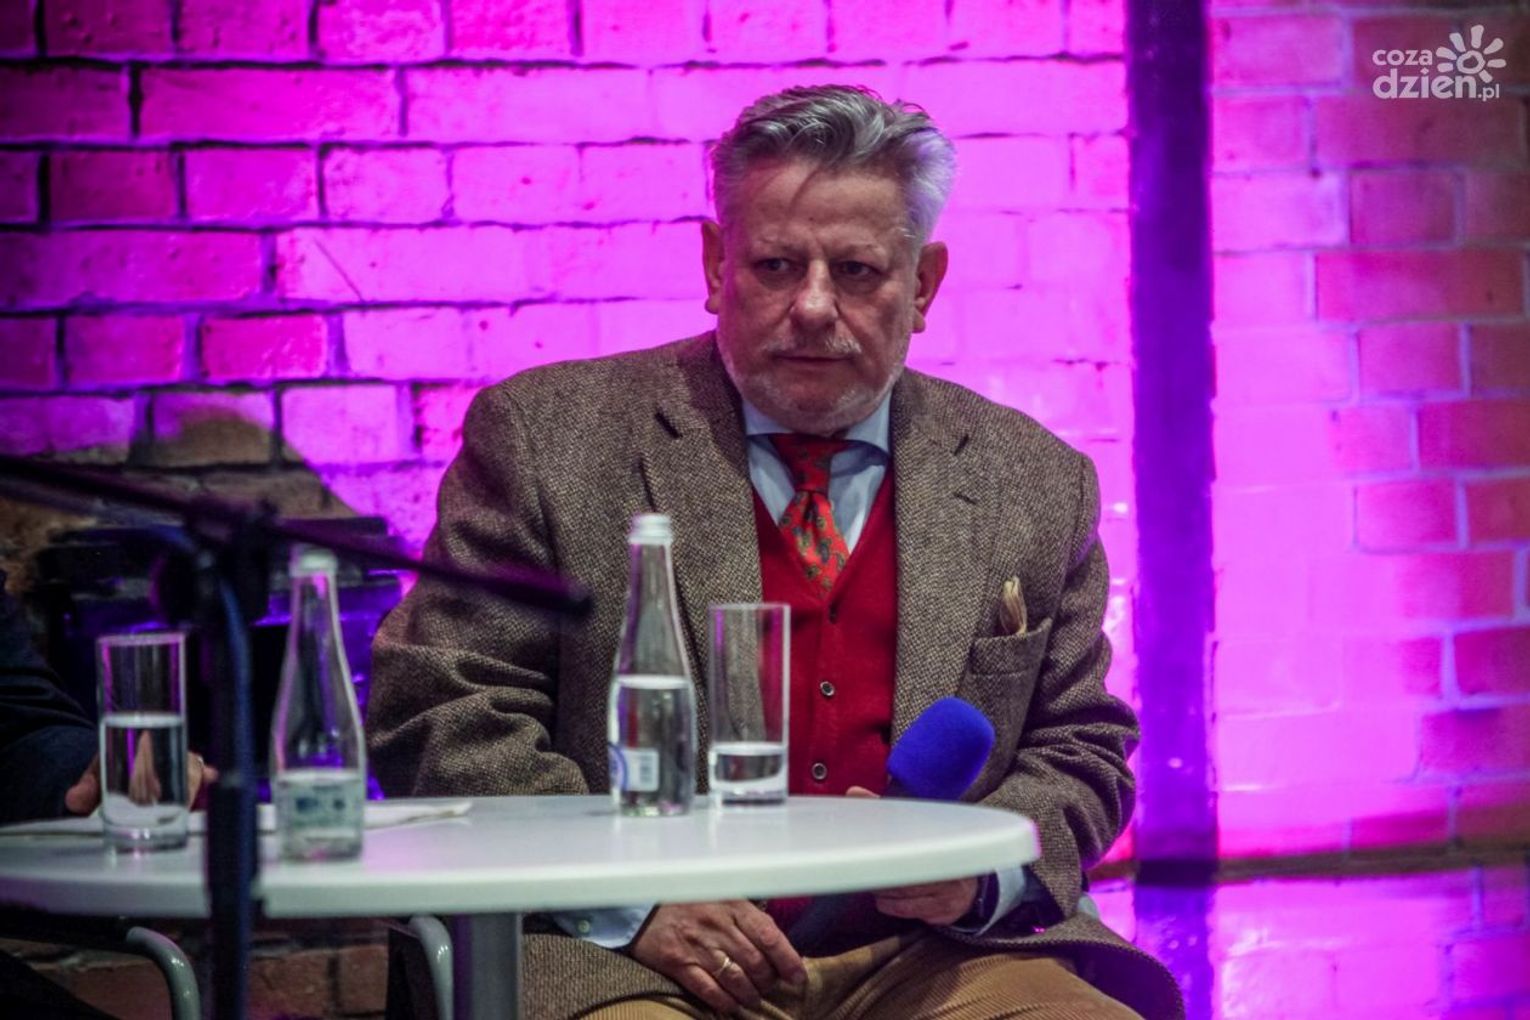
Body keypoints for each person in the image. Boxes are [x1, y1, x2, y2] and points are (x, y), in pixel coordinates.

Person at [367, 85, 1183, 1019]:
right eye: (776, 265)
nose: (813, 306)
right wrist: (629, 900)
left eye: (858, 271)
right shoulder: (550, 438)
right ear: (718, 264)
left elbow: (1082, 745)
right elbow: (443, 705)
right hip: (627, 955)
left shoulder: (1033, 479)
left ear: (923, 284)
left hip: (935, 954)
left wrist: (976, 871)